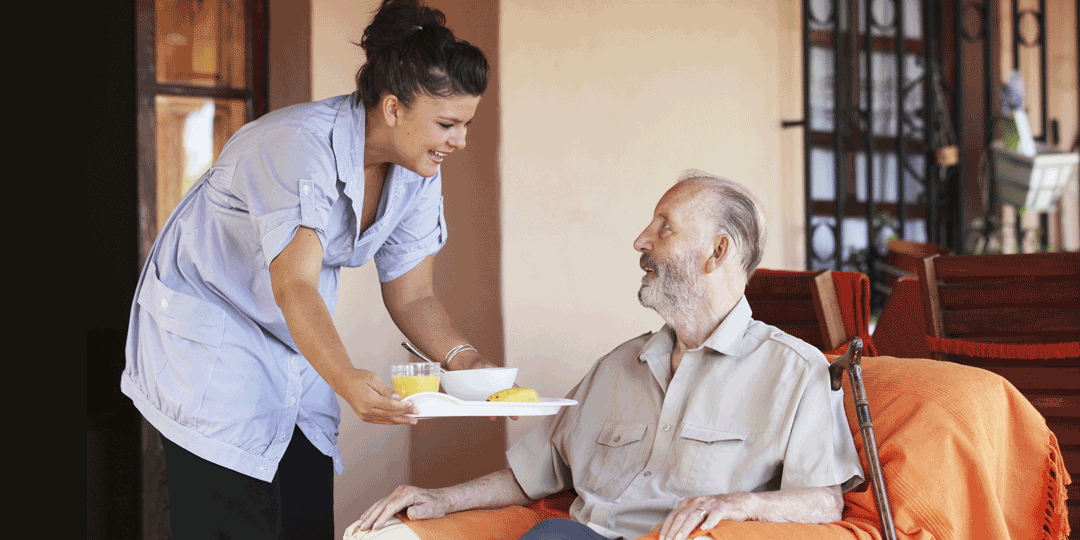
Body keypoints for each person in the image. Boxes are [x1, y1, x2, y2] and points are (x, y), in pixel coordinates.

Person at [120, 1, 498, 538]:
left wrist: (468, 363)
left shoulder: (417, 167)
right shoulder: (297, 146)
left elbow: (413, 296)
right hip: (213, 338)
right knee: (230, 517)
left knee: (303, 510)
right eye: (447, 123)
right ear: (393, 108)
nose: (459, 141)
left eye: (465, 124)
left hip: (290, 334)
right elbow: (293, 283)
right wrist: (345, 379)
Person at [353, 170, 864, 540]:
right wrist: (440, 499)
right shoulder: (617, 366)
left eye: (664, 227)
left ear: (719, 251)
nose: (641, 240)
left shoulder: (795, 372)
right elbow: (533, 472)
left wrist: (738, 506)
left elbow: (824, 499)